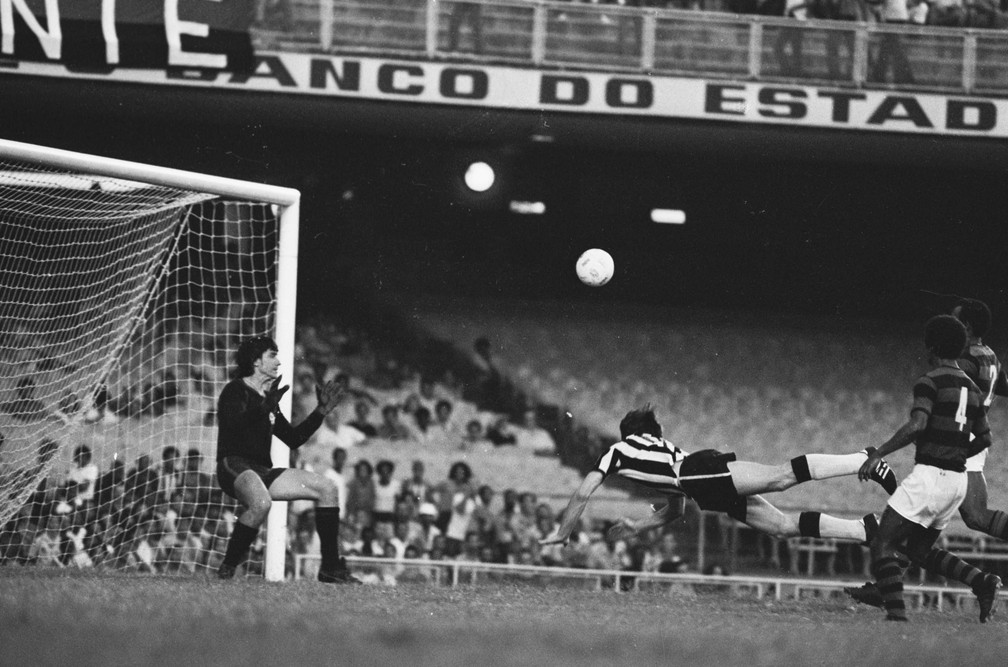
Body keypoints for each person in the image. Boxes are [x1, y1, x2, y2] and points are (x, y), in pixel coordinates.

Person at [540, 405, 898, 552]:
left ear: (628, 433)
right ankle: (864, 530)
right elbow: (676, 510)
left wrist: (562, 532)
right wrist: (637, 526)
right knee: (781, 527)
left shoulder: (617, 451)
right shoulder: (662, 447)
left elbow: (583, 493)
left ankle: (863, 460)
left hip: (698, 475)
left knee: (780, 477)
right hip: (698, 484)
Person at [848, 313, 1003, 621]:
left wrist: (878, 454)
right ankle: (982, 582)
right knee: (918, 552)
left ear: (932, 348)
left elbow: (916, 425)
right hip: (957, 483)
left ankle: (896, 616)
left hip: (930, 476)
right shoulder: (972, 388)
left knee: (883, 543)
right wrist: (958, 453)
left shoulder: (929, 381)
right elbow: (985, 437)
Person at [213, 335, 357, 583]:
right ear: (256, 361)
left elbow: (293, 438)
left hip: (260, 470)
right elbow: (233, 424)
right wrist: (263, 408)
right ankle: (227, 568)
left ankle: (330, 568)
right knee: (261, 502)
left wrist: (321, 411)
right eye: (272, 355)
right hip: (233, 465)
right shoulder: (235, 389)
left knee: (327, 488)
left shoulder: (268, 399)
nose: (278, 362)